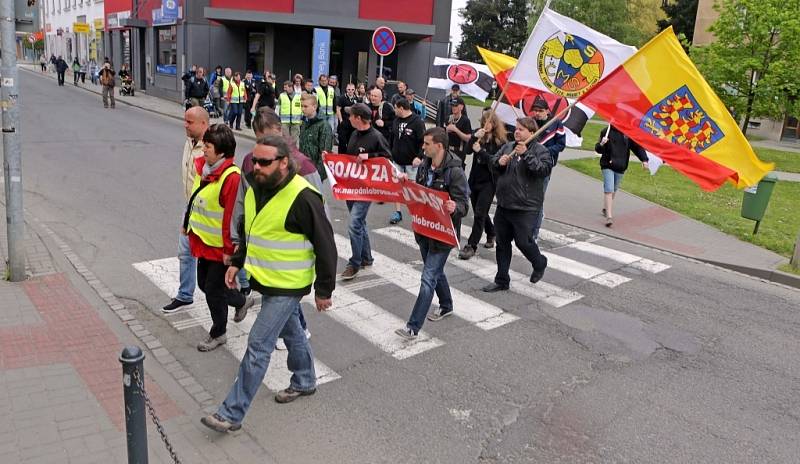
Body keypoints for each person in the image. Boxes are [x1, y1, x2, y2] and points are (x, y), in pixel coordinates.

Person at [200, 135, 336, 433]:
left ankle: (231, 414)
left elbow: (326, 245)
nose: (256, 167)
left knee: (258, 344)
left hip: (288, 284)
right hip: (265, 278)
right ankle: (304, 379)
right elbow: (249, 229)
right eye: (255, 160)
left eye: (264, 162)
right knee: (293, 332)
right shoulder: (255, 186)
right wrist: (237, 262)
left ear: (284, 163)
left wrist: (324, 290)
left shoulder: (304, 196)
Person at [231, 107, 323, 348]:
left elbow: (319, 216)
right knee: (279, 302)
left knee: (261, 339)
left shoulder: (303, 166)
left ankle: (299, 340)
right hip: (264, 252)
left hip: (290, 257)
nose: (265, 144)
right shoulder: (250, 163)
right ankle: (301, 357)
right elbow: (242, 202)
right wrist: (237, 240)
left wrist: (323, 282)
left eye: (269, 136)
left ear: (279, 130)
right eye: (260, 139)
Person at [186, 124, 254, 351]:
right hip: (204, 242)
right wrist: (187, 225)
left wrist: (230, 252)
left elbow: (232, 219)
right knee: (204, 285)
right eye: (204, 145)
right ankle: (242, 301)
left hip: (221, 249)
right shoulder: (206, 169)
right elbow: (197, 200)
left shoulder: (231, 177)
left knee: (213, 290)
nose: (203, 150)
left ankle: (218, 333)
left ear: (222, 151)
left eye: (208, 146)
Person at [395, 127, 468, 339]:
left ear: (439, 146)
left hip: (442, 235)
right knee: (435, 272)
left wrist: (456, 207)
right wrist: (405, 185)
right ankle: (446, 305)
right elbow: (419, 194)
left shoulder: (455, 171)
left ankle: (412, 327)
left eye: (427, 144)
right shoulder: (424, 166)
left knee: (427, 278)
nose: (423, 147)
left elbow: (464, 204)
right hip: (424, 230)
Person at [481, 117, 552, 293]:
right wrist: (499, 163)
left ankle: (539, 262)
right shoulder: (508, 147)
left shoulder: (540, 150)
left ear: (531, 132)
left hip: (526, 207)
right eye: (517, 128)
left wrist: (526, 154)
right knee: (502, 244)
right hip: (504, 204)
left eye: (521, 129)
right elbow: (493, 164)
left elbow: (543, 171)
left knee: (523, 242)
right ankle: (501, 280)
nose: (517, 131)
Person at [163, 107, 211, 314]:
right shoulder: (190, 141)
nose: (185, 125)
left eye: (190, 122)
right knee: (185, 252)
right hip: (190, 207)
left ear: (203, 124)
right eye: (185, 121)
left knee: (219, 257)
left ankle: (242, 289)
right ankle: (185, 295)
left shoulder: (212, 146)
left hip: (208, 212)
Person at [340, 103, 392, 280]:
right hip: (351, 187)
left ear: (359, 118)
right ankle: (366, 257)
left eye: (351, 115)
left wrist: (369, 157)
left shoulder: (376, 136)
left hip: (366, 189)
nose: (348, 118)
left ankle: (354, 263)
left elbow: (387, 158)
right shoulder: (354, 133)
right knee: (360, 224)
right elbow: (349, 157)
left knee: (354, 224)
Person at [459, 110, 507, 259]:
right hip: (474, 180)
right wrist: (474, 137)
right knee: (481, 211)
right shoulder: (479, 136)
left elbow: (494, 163)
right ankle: (491, 232)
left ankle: (471, 246)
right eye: (485, 122)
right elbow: (467, 151)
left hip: (489, 182)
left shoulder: (500, 142)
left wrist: (480, 151)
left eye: (490, 122)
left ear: (495, 124)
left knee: (479, 214)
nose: (487, 125)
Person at [528, 96, 565, 240]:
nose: (537, 113)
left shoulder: (556, 124)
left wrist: (545, 152)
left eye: (540, 110)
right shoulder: (531, 123)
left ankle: (534, 233)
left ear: (547, 111)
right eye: (535, 110)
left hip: (545, 166)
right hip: (530, 164)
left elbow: (561, 144)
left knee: (538, 199)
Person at [596, 125, 649, 227]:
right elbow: (598, 149)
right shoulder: (606, 131)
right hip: (607, 165)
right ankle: (609, 217)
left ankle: (605, 208)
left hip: (621, 166)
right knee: (609, 189)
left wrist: (644, 160)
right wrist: (602, 144)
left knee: (614, 189)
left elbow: (637, 147)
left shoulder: (627, 133)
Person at [388, 98, 425, 225]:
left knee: (412, 188)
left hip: (411, 162)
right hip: (397, 160)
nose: (394, 110)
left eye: (395, 108)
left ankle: (417, 213)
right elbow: (392, 138)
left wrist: (419, 157)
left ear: (401, 108)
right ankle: (397, 212)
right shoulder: (396, 120)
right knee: (397, 187)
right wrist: (390, 153)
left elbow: (423, 142)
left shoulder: (417, 122)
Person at [299, 93, 334, 184]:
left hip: (314, 173)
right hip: (303, 170)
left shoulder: (324, 125)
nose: (302, 109)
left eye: (305, 106)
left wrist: (318, 175)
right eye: (301, 106)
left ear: (314, 107)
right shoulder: (304, 122)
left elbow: (324, 154)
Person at [445, 97, 472, 167]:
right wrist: (445, 130)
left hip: (459, 152)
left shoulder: (465, 120)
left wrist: (456, 130)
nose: (453, 107)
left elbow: (468, 138)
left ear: (461, 107)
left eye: (456, 105)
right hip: (447, 150)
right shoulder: (448, 118)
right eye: (452, 105)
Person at [335, 82, 359, 152]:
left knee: (351, 141)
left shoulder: (357, 99)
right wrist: (341, 120)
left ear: (354, 90)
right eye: (349, 89)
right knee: (342, 141)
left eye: (352, 89)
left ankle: (349, 157)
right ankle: (341, 157)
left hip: (353, 124)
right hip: (344, 123)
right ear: (346, 89)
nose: (350, 91)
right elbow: (338, 109)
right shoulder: (342, 98)